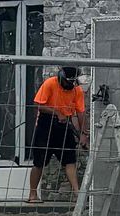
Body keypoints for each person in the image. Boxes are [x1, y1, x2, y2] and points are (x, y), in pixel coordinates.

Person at [28, 64, 88, 203]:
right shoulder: (50, 83)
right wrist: (56, 112)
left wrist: (83, 134)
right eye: (68, 81)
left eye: (73, 82)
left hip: (64, 125)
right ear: (62, 78)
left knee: (70, 160)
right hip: (45, 125)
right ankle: (32, 194)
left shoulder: (77, 90)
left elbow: (80, 112)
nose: (70, 84)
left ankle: (76, 193)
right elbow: (38, 105)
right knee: (39, 162)